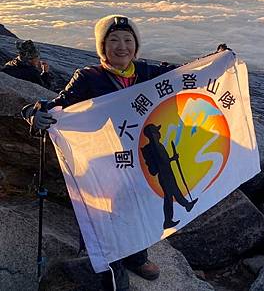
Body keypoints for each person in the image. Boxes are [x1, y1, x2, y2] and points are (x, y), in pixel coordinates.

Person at [22, 15, 172, 290]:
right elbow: (59, 104)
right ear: (102, 46)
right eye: (113, 40)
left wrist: (217, 60)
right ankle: (107, 263)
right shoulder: (88, 78)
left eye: (128, 40)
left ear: (136, 45)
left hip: (137, 158)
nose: (122, 46)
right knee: (101, 213)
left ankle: (137, 256)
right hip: (103, 162)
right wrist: (35, 113)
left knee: (138, 206)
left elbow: (183, 76)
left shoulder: (146, 73)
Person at [141, 124, 198, 229]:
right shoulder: (154, 147)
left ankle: (187, 205)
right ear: (154, 134)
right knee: (168, 197)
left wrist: (171, 158)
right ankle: (168, 221)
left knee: (175, 191)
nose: (159, 133)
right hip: (164, 175)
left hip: (167, 173)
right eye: (156, 132)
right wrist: (173, 158)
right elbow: (162, 160)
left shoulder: (158, 145)